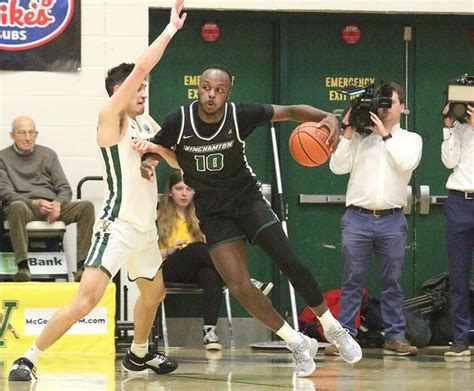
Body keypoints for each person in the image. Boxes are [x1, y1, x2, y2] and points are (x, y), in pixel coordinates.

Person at [138, 64, 362, 378]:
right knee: (239, 285)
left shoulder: (239, 114)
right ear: (198, 88)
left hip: (247, 200)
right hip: (213, 213)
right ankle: (296, 341)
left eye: (218, 90)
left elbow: (289, 110)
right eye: (205, 88)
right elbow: (157, 149)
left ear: (228, 91)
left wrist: (326, 116)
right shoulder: (180, 119)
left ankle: (332, 327)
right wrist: (148, 163)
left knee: (288, 260)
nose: (210, 95)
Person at [8, 0, 187, 382]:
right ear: (120, 91)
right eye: (139, 87)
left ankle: (139, 354)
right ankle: (28, 357)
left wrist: (155, 150)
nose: (144, 92)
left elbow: (177, 164)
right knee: (86, 301)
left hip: (145, 230)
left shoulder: (146, 124)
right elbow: (142, 66)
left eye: (146, 88)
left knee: (155, 295)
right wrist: (169, 29)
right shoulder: (110, 118)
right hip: (118, 225)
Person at [328, 82, 422, 356]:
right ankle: (345, 337)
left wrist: (383, 134)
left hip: (392, 219)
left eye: (389, 102)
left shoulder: (411, 139)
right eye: (381, 103)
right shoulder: (358, 136)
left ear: (402, 107)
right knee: (352, 281)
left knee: (392, 282)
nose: (384, 108)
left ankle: (395, 337)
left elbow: (406, 163)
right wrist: (346, 130)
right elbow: (337, 167)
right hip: (357, 218)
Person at [158, 170, 273, 351]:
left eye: (188, 189)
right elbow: (148, 256)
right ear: (170, 192)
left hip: (196, 267)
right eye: (178, 189)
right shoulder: (158, 216)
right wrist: (171, 249)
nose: (184, 193)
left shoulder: (200, 215)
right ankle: (246, 281)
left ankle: (209, 332)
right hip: (167, 266)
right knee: (197, 248)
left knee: (210, 274)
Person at [0, 115, 95, 282]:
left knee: (86, 207)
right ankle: (23, 267)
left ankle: (82, 267)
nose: (28, 137)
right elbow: (5, 192)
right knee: (15, 206)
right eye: (22, 133)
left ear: (36, 134)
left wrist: (57, 204)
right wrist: (34, 203)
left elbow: (64, 188)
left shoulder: (48, 155)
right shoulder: (3, 158)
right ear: (12, 135)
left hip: (51, 206)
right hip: (25, 207)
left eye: (31, 132)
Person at [441, 102, 474, 357]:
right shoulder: (457, 129)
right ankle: (460, 340)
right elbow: (448, 160)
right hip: (458, 202)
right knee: (458, 277)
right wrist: (449, 127)